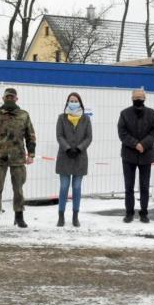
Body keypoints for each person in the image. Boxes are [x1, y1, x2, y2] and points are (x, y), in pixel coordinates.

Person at [0, 87, 36, 229]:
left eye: (12, 97)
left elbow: (30, 136)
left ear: (16, 99)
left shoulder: (24, 115)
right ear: (3, 98)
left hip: (18, 158)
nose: (10, 99)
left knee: (18, 189)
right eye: (7, 97)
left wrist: (31, 154)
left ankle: (19, 217)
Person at [117, 88, 154, 223]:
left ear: (145, 98)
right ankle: (129, 213)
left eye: (140, 97)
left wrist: (144, 144)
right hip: (129, 155)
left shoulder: (152, 113)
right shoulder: (124, 113)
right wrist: (136, 144)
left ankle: (144, 213)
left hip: (146, 154)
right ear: (131, 98)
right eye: (136, 97)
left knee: (144, 186)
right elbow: (122, 133)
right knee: (128, 186)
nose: (138, 99)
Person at [55, 92, 92, 227]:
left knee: (76, 187)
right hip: (65, 157)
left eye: (76, 101)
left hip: (80, 158)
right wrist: (67, 148)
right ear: (67, 102)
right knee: (64, 187)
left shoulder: (86, 119)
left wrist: (79, 148)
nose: (73, 103)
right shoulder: (61, 118)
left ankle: (75, 216)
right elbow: (59, 136)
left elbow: (89, 137)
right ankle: (61, 216)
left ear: (80, 103)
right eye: (71, 100)